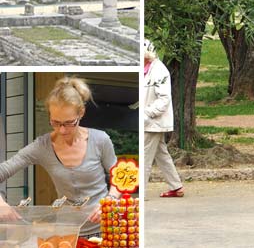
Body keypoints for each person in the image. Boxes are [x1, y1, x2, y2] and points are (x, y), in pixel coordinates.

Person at [0, 77, 121, 238]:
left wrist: (110, 200)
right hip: (66, 233)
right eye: (55, 123)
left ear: (81, 113)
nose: (62, 130)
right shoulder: (42, 146)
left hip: (104, 229)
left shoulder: (100, 140)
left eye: (69, 122)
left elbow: (120, 178)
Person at [144, 39, 184, 197]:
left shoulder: (159, 70)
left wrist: (147, 114)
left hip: (153, 122)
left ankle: (141, 193)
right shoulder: (145, 68)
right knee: (161, 154)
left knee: (145, 156)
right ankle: (176, 186)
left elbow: (164, 99)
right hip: (149, 121)